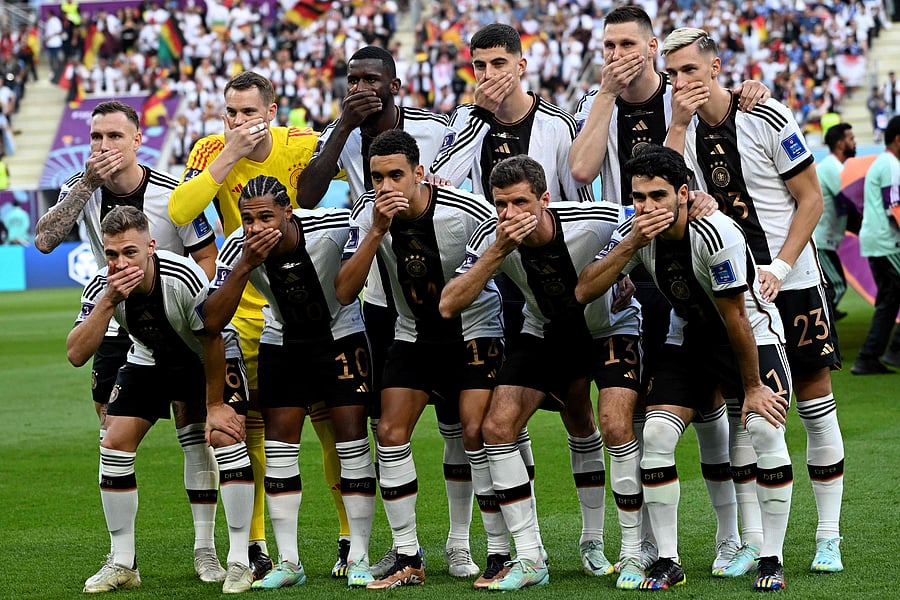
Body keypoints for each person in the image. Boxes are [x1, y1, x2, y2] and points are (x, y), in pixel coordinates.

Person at [569, 8, 770, 575]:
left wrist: (747, 87)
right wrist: (606, 93)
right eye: (608, 45)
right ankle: (651, 546)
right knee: (638, 412)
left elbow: (717, 124)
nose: (617, 54)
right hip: (628, 260)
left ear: (653, 45)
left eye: (627, 43)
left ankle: (734, 539)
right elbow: (582, 172)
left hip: (684, 257)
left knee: (710, 405)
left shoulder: (680, 93)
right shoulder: (593, 103)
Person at [432, 24, 615, 577]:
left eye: (497, 63)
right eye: (478, 66)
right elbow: (437, 188)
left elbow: (576, 205)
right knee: (496, 420)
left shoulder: (556, 124)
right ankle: (511, 546)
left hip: (555, 291)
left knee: (578, 411)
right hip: (491, 289)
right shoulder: (465, 121)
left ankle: (591, 540)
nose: (487, 75)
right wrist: (476, 117)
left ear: (521, 63)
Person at [663, 27, 845, 575]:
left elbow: (810, 200)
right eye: (672, 74)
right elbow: (667, 191)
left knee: (813, 400)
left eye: (691, 70)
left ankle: (829, 536)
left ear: (716, 67)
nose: (682, 83)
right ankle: (755, 542)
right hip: (731, 292)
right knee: (750, 408)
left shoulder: (765, 115)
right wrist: (675, 123)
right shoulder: (682, 130)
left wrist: (781, 266)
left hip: (790, 282)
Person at [296, 45, 480, 579]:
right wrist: (339, 130)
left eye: (371, 80)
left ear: (394, 85)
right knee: (387, 423)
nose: (360, 89)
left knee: (457, 422)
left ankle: (460, 542)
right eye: (352, 80)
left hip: (439, 286)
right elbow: (308, 195)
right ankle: (388, 546)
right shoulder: (343, 136)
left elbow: (457, 196)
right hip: (379, 291)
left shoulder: (432, 128)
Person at [575, 144, 793, 592]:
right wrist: (633, 241)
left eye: (658, 196)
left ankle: (772, 557)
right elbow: (584, 289)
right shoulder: (636, 231)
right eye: (639, 197)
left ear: (683, 193)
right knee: (655, 435)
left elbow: (735, 316)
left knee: (765, 431)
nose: (648, 207)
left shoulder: (714, 233)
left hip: (749, 334)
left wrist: (752, 387)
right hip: (689, 334)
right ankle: (669, 561)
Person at [33, 100, 226, 584]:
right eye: (96, 137)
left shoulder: (173, 193)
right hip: (119, 324)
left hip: (179, 324)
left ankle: (205, 550)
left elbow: (207, 258)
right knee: (112, 435)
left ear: (137, 140)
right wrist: (87, 186)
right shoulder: (82, 191)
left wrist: (183, 308)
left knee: (192, 432)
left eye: (114, 137)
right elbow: (44, 240)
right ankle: (124, 561)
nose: (104, 147)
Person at [167, 71, 346, 579]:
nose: (239, 121)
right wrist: (227, 155)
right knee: (252, 431)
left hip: (309, 306)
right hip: (245, 307)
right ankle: (258, 544)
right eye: (231, 112)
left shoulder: (300, 141)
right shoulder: (209, 150)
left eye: (249, 112)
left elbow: (350, 168)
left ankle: (347, 536)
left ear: (271, 111)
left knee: (329, 422)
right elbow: (182, 209)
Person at [439, 155, 644, 591]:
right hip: (545, 329)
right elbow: (448, 303)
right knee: (496, 428)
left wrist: (700, 201)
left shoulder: (597, 220)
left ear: (545, 200)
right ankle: (531, 557)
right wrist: (497, 250)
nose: (509, 215)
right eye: (500, 205)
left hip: (607, 327)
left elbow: (648, 218)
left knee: (611, 424)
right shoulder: (493, 237)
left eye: (519, 203)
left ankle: (627, 550)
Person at [335, 129, 503, 589]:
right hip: (412, 333)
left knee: (473, 431)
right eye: (376, 177)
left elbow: (506, 261)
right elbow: (345, 289)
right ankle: (408, 553)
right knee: (388, 431)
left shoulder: (466, 211)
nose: (385, 186)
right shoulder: (366, 215)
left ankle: (492, 550)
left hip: (473, 330)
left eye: (395, 175)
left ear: (419, 173)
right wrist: (376, 230)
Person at [67, 206, 255, 594]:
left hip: (207, 355)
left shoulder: (181, 277)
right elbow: (75, 353)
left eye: (130, 253)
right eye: (112, 254)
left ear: (151, 247)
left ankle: (233, 559)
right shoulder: (102, 285)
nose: (120, 263)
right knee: (114, 442)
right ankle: (122, 563)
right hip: (150, 356)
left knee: (221, 438)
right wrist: (107, 301)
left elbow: (213, 334)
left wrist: (216, 405)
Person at [203, 175, 375, 589]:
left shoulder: (332, 228)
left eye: (266, 216)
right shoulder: (237, 249)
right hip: (282, 341)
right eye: (248, 219)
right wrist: (245, 263)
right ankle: (289, 561)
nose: (257, 227)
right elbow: (211, 319)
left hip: (341, 337)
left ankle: (360, 556)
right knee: (280, 449)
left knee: (351, 441)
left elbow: (351, 289)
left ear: (287, 212)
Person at [853, 115, 900, 373]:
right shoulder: (892, 165)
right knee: (890, 299)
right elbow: (894, 206)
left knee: (890, 300)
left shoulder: (884, 163)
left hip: (877, 239)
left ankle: (870, 356)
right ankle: (890, 351)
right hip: (886, 241)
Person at [815, 123, 857, 319]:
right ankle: (824, 325)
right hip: (821, 241)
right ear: (840, 144)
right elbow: (850, 201)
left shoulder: (835, 167)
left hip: (826, 240)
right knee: (837, 285)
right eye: (851, 138)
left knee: (834, 285)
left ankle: (825, 321)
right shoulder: (832, 167)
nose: (854, 142)